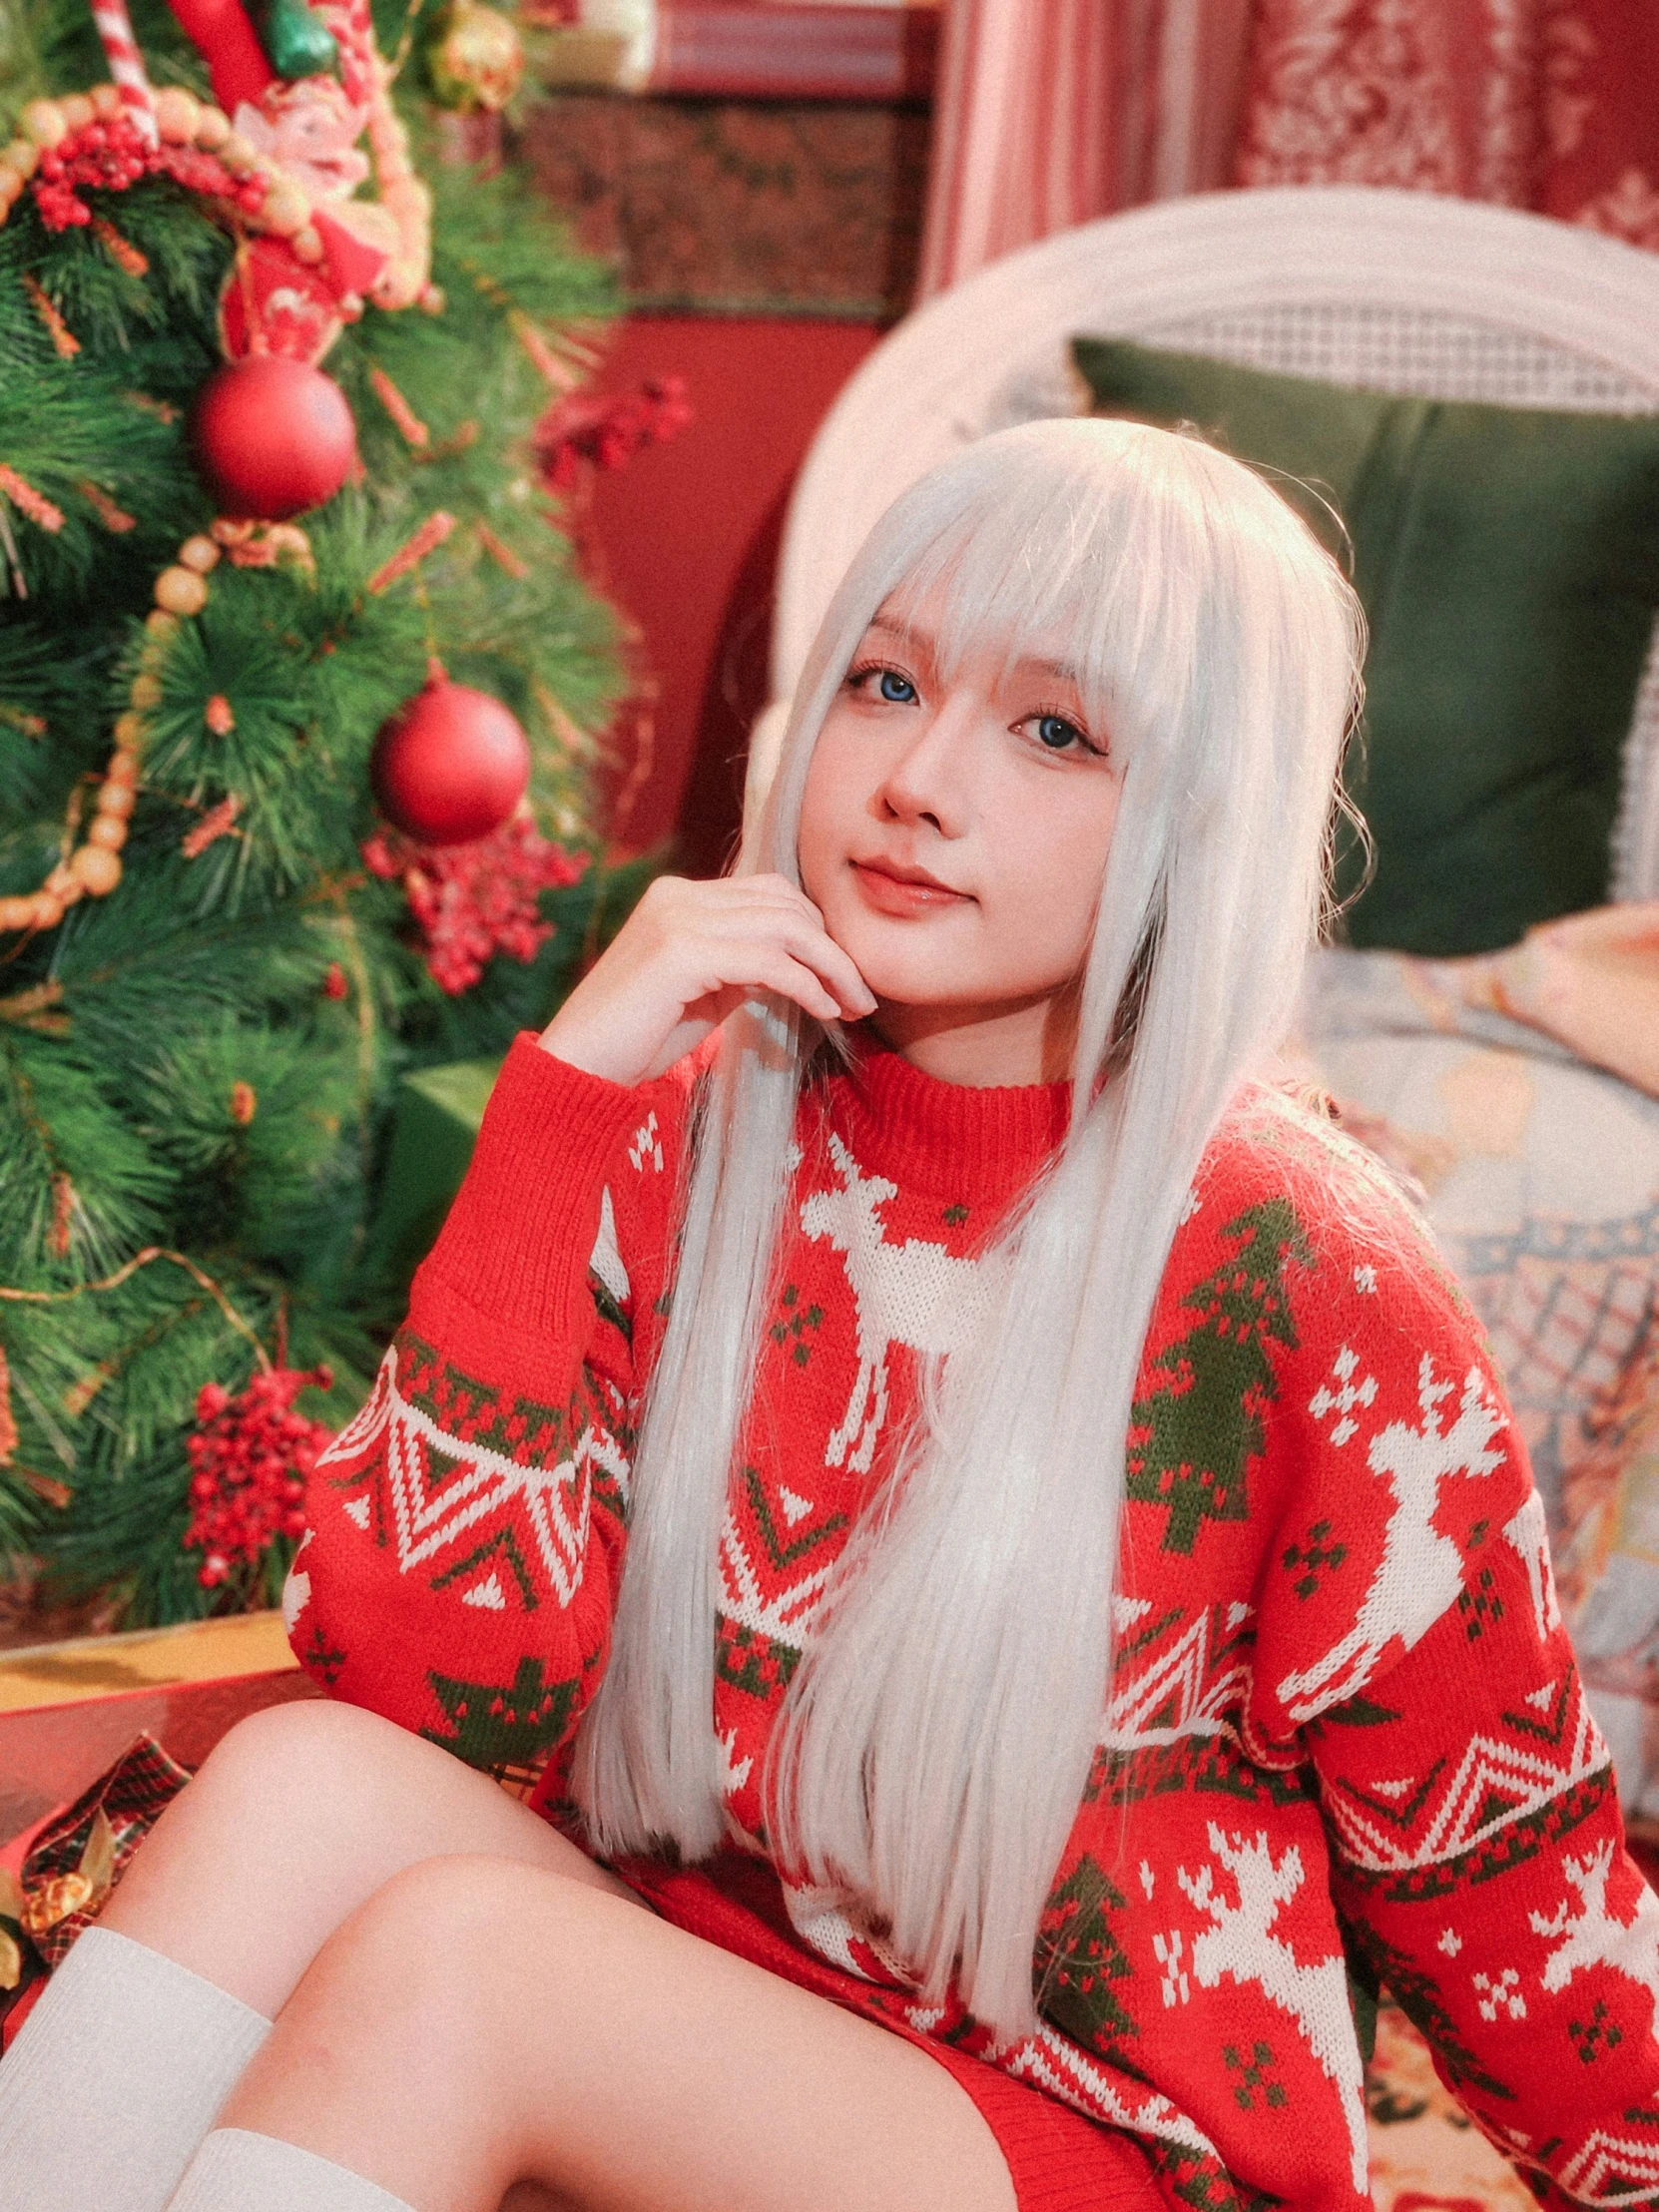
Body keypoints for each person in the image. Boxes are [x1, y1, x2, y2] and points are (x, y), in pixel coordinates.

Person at [3, 415, 1653, 2212]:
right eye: (885, 683)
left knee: (466, 1967)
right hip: (740, 2014)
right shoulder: (709, 1114)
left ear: (1200, 812)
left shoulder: (1305, 1268)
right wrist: (564, 1104)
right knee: (307, 1783)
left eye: (1051, 730)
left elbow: (1511, 1894)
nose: (920, 780)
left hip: (1108, 2148)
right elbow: (423, 1695)